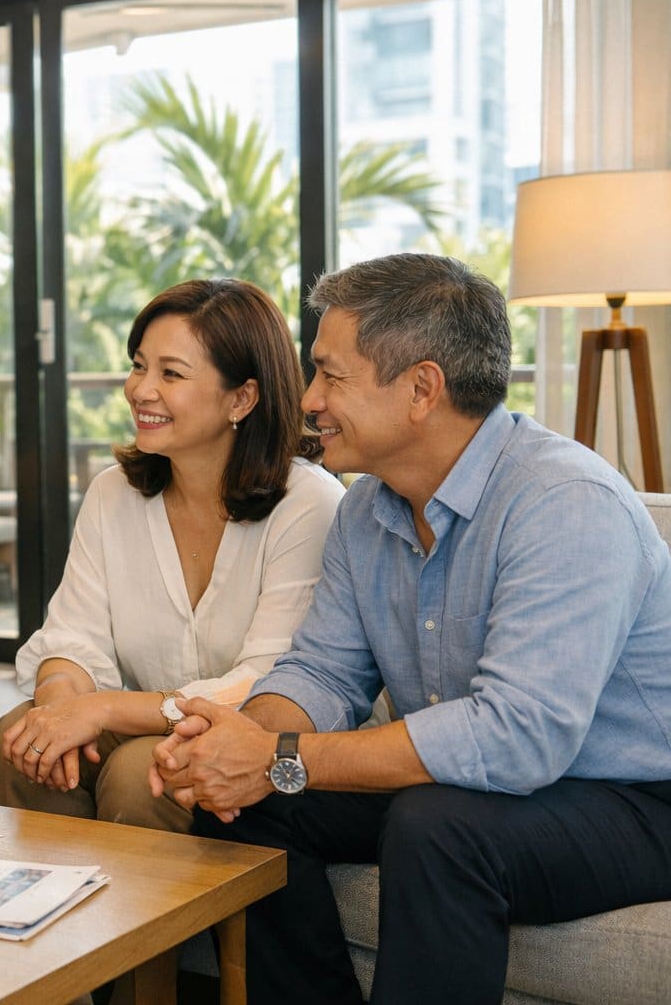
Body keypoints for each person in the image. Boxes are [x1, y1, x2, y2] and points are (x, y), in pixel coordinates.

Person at [152, 253, 671, 1005]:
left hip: (634, 798)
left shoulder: (564, 503)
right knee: (239, 802)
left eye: (331, 375)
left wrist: (280, 756)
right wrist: (242, 744)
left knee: (439, 827)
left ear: (422, 388)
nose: (308, 400)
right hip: (490, 787)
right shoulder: (367, 510)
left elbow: (517, 736)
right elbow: (324, 672)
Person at [0, 278, 343, 831]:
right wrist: (55, 709)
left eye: (170, 374)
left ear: (242, 398)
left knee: (140, 769)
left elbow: (269, 681)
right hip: (151, 722)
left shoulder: (309, 503)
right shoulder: (114, 494)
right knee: (22, 736)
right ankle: (41, 913)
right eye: (138, 366)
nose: (140, 390)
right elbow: (73, 637)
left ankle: (165, 922)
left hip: (261, 748)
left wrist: (102, 710)